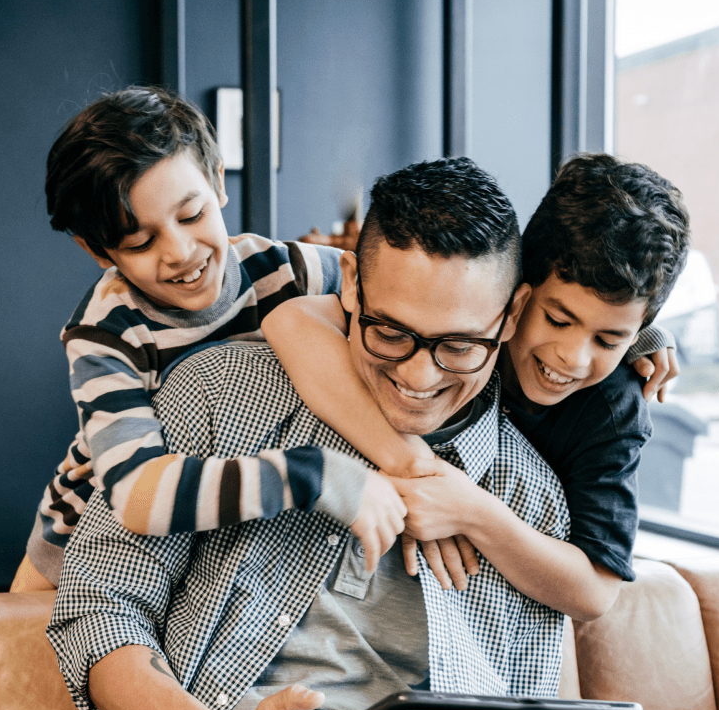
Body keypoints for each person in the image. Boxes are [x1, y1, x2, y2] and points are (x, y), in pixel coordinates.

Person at [43, 157, 719, 710]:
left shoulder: (523, 497)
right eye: (389, 334)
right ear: (348, 297)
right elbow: (94, 609)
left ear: (510, 315)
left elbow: (512, 708)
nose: (419, 375)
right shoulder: (215, 395)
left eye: (458, 344)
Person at [263, 153, 689, 621]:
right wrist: (413, 464)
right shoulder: (455, 296)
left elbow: (595, 592)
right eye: (557, 319)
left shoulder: (613, 408)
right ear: (517, 292)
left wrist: (472, 513)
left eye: (607, 339)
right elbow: (292, 318)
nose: (573, 356)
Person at [12, 85, 403, 593]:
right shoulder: (105, 331)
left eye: (192, 215)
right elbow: (135, 495)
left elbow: (401, 306)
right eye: (140, 242)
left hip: (227, 542)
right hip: (83, 543)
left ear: (218, 182)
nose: (179, 252)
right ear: (98, 249)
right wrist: (314, 475)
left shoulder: (290, 272)